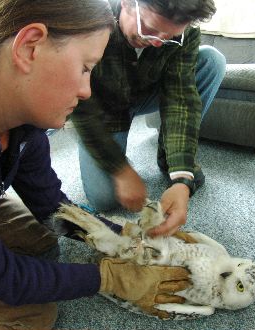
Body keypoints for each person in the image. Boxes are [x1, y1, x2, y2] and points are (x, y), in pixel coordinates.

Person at [0, 0, 190, 330]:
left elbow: (51, 204)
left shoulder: (24, 117)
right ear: (30, 47)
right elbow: (5, 276)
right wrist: (109, 278)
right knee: (35, 317)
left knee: (45, 236)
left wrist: (126, 237)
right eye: (85, 68)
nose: (86, 90)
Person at [72, 0, 226, 237]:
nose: (157, 42)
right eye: (150, 29)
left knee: (212, 60)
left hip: (147, 93)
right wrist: (120, 168)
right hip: (104, 109)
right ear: (126, 3)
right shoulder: (88, 18)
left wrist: (182, 177)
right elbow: (81, 109)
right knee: (104, 198)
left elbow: (181, 99)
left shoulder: (185, 35)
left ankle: (168, 157)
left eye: (169, 36)